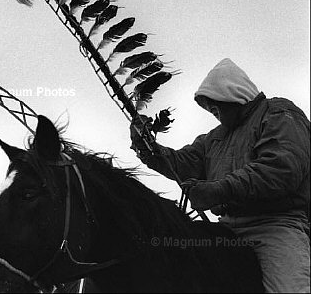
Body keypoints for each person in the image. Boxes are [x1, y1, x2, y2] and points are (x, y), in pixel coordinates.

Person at [130, 58, 310, 293]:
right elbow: (180, 164)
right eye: (208, 107)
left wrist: (217, 190)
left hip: (275, 227)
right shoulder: (214, 138)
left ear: (232, 94)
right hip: (225, 230)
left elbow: (281, 169)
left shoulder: (279, 113)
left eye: (215, 105)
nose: (211, 111)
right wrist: (148, 148)